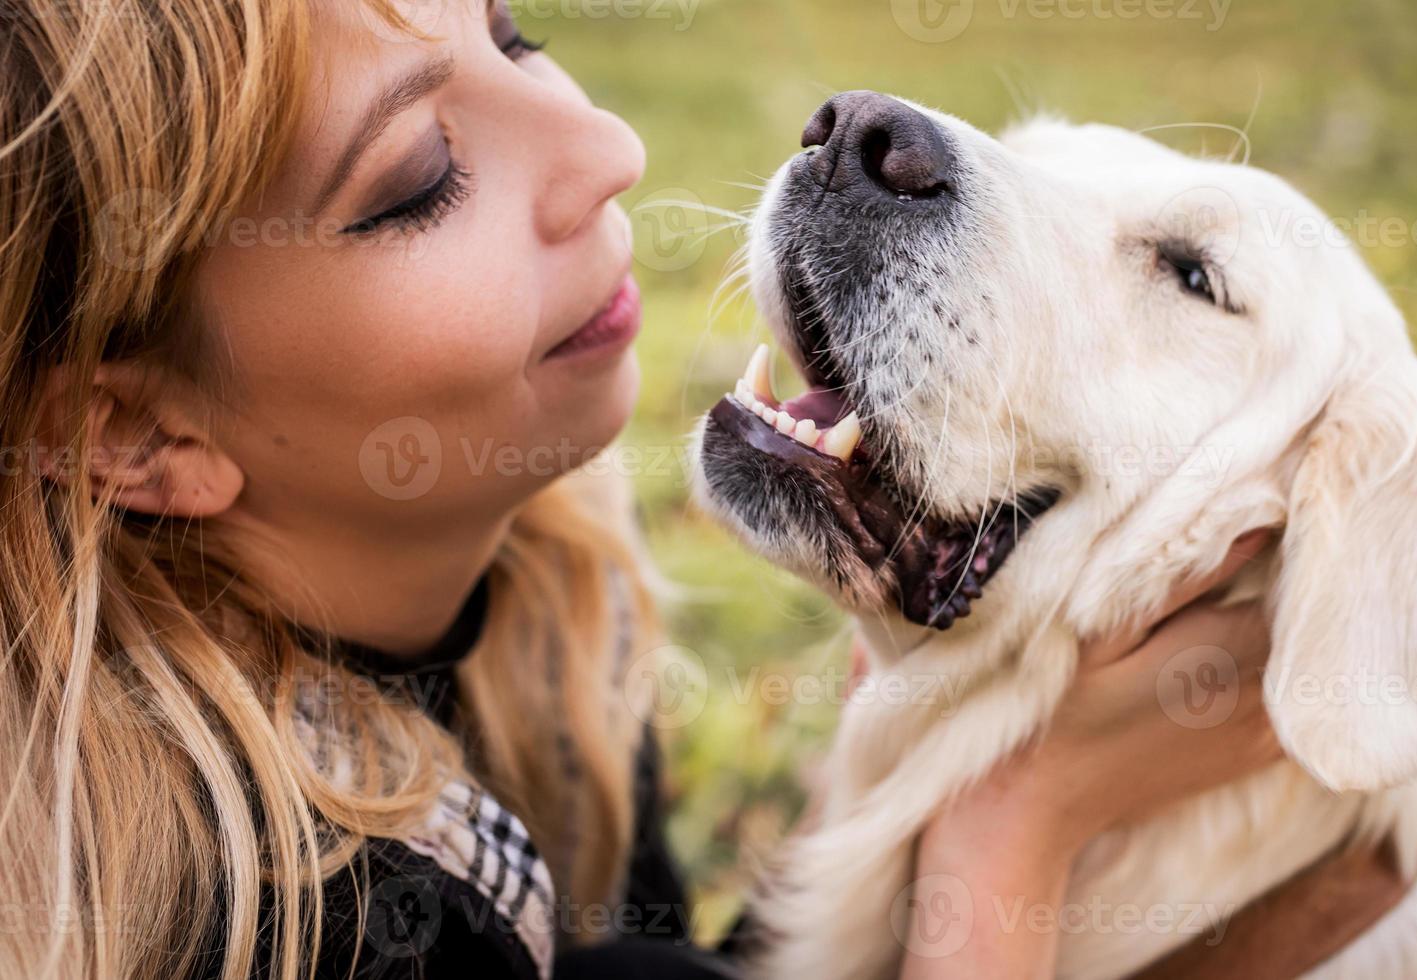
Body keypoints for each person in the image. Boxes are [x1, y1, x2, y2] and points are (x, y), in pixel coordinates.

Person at [0, 0, 1280, 976]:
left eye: (514, 32)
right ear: (134, 431)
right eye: (417, 182)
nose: (606, 146)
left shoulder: (548, 592)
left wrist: (891, 751)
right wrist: (1011, 825)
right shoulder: (290, 928)